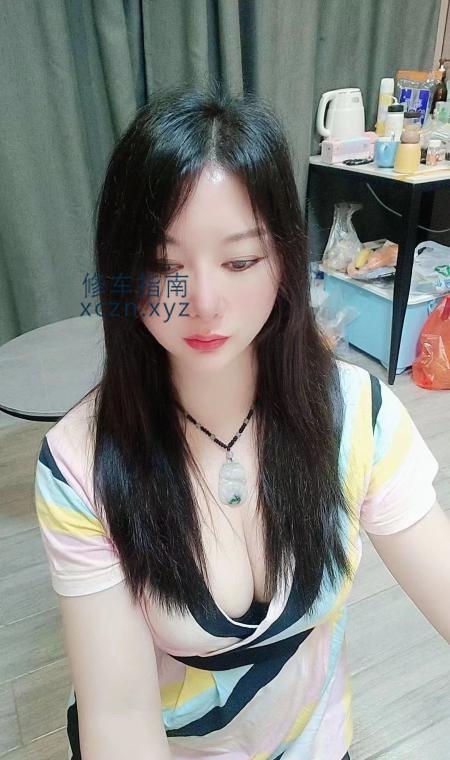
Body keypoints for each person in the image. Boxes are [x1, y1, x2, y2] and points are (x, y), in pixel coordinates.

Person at [34, 84, 450, 760]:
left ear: (284, 258)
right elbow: (119, 714)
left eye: (240, 261)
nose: (203, 301)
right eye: (164, 265)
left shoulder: (358, 417)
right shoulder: (80, 465)